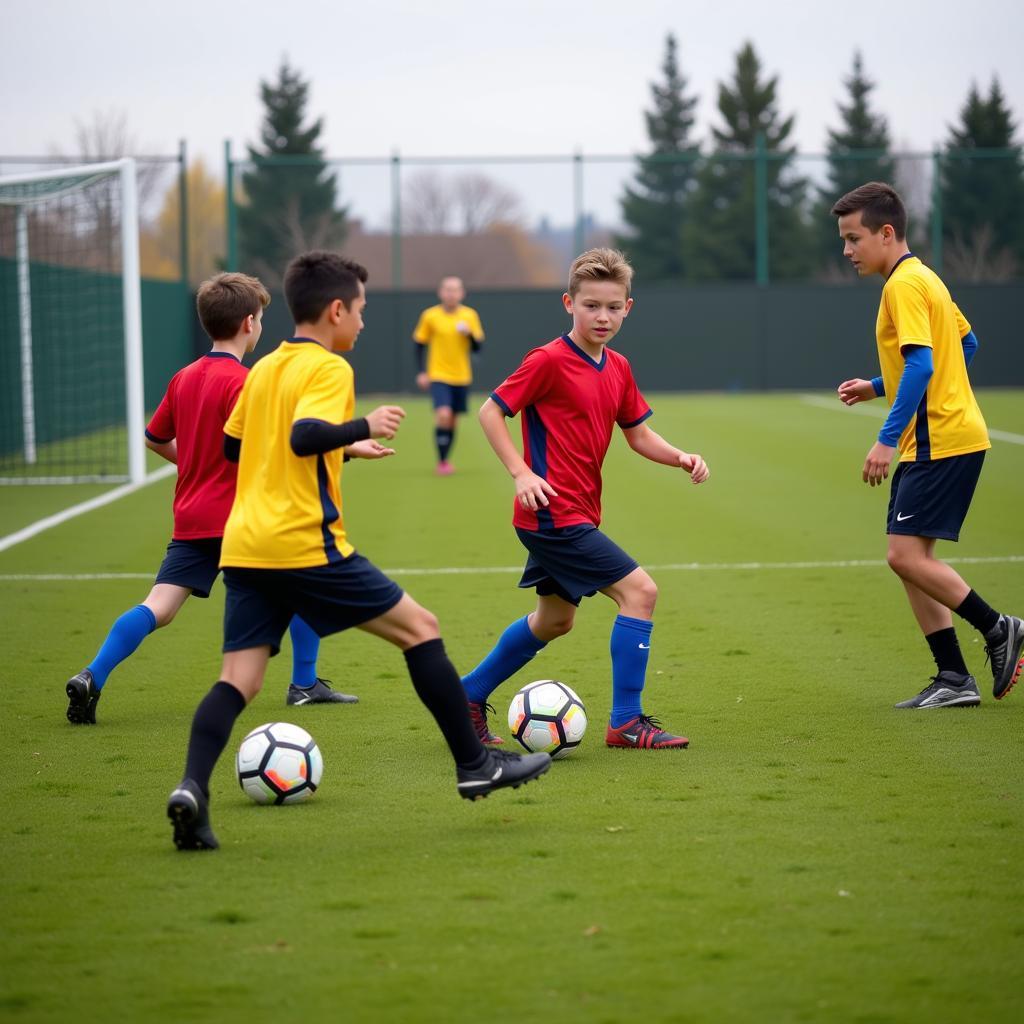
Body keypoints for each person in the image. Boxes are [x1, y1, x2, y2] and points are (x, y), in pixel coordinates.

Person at [166, 251, 550, 851]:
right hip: (304, 543)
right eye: (362, 311)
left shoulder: (264, 368)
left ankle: (192, 788)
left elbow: (237, 448)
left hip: (245, 545)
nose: (365, 323)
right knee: (421, 628)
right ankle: (476, 765)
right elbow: (302, 436)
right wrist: (360, 429)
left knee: (237, 680)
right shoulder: (329, 369)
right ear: (337, 309)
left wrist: (340, 452)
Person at [64, 273, 355, 726]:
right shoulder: (246, 382)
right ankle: (304, 684)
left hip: (191, 517)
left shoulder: (184, 378)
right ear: (247, 324)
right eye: (260, 319)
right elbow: (279, 445)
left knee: (158, 606)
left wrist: (195, 465)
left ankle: (91, 675)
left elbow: (155, 438)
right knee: (308, 584)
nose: (260, 326)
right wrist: (348, 447)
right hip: (244, 519)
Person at [461, 248, 709, 750]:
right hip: (553, 514)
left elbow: (638, 435)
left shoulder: (617, 366)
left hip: (576, 513)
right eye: (591, 305)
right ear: (568, 303)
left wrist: (679, 456)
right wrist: (521, 472)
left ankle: (464, 696)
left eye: (613, 307)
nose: (602, 316)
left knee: (555, 620)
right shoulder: (548, 360)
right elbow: (491, 412)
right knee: (641, 593)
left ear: (628, 308)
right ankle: (626, 722)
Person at [832, 181, 1023, 709]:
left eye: (853, 239)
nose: (847, 251)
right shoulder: (925, 278)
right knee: (909, 555)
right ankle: (954, 679)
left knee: (904, 555)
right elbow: (966, 342)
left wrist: (885, 438)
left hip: (938, 438)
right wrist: (876, 385)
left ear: (886, 233)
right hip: (942, 435)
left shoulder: (903, 286)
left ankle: (999, 627)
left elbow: (922, 361)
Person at [413, 275, 484, 474]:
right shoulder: (430, 316)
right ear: (440, 292)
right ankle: (442, 462)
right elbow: (419, 345)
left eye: (455, 290)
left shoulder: (469, 316)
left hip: (461, 376)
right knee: (443, 415)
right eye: (447, 289)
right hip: (438, 375)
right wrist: (421, 372)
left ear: (462, 293)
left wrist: (469, 334)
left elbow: (478, 348)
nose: (451, 293)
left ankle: (445, 459)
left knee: (453, 420)